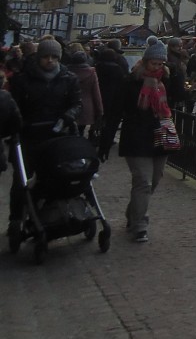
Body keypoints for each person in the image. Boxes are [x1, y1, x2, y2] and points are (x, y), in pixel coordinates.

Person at [98, 38, 175, 244]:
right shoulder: (130, 82)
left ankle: (133, 214)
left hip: (160, 136)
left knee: (155, 180)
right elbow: (115, 113)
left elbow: (174, 103)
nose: (158, 67)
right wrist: (105, 142)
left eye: (161, 64)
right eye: (154, 63)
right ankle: (140, 225)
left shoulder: (165, 82)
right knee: (143, 181)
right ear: (146, 61)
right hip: (136, 137)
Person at [6, 39, 82, 237]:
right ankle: (16, 217)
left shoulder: (68, 78)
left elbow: (76, 103)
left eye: (54, 57)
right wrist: (18, 126)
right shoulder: (23, 79)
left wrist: (68, 117)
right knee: (21, 180)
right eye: (46, 57)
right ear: (39, 57)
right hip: (29, 136)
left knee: (55, 176)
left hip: (57, 136)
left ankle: (48, 213)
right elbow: (15, 107)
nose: (50, 61)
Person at [65, 50, 104, 141]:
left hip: (69, 105)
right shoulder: (91, 73)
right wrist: (100, 110)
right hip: (86, 106)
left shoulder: (66, 71)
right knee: (81, 131)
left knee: (69, 130)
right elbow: (96, 93)